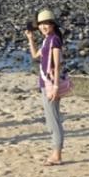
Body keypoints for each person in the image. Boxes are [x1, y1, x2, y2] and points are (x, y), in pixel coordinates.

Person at [25, 9, 66, 166]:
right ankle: (56, 152)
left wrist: (55, 86)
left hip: (50, 85)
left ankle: (57, 155)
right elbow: (35, 56)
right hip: (45, 83)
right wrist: (30, 39)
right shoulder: (47, 39)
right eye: (41, 24)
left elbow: (57, 64)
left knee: (54, 120)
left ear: (53, 25)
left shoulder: (55, 40)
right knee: (50, 120)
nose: (43, 26)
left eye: (46, 23)